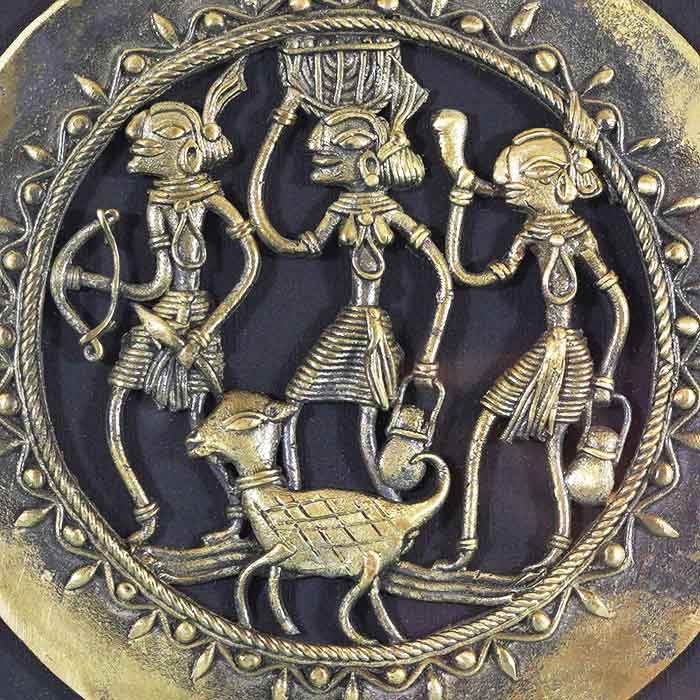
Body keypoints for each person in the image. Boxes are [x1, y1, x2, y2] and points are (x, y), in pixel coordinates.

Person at [52, 59, 260, 543]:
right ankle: (145, 513)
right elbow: (155, 285)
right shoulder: (157, 205)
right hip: (162, 317)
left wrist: (205, 331)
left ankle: (236, 518)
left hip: (200, 321)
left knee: (208, 424)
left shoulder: (212, 201)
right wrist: (93, 282)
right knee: (115, 407)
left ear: (185, 153)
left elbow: (250, 266)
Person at [248, 70, 452, 500]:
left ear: (370, 162)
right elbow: (293, 243)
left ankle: (390, 505)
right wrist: (276, 127)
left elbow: (443, 278)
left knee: (366, 421)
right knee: (296, 402)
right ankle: (294, 498)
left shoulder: (392, 213)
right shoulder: (340, 208)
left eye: (340, 146)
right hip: (349, 324)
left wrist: (429, 355)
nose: (316, 151)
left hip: (373, 332)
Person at [435, 124, 630, 574]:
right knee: (481, 428)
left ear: (550, 182)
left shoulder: (578, 235)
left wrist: (607, 373)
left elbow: (618, 303)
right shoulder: (530, 232)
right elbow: (468, 274)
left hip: (571, 356)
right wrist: (459, 203)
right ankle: (467, 547)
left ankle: (558, 549)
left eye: (519, 186)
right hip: (546, 350)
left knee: (553, 447)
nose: (511, 195)